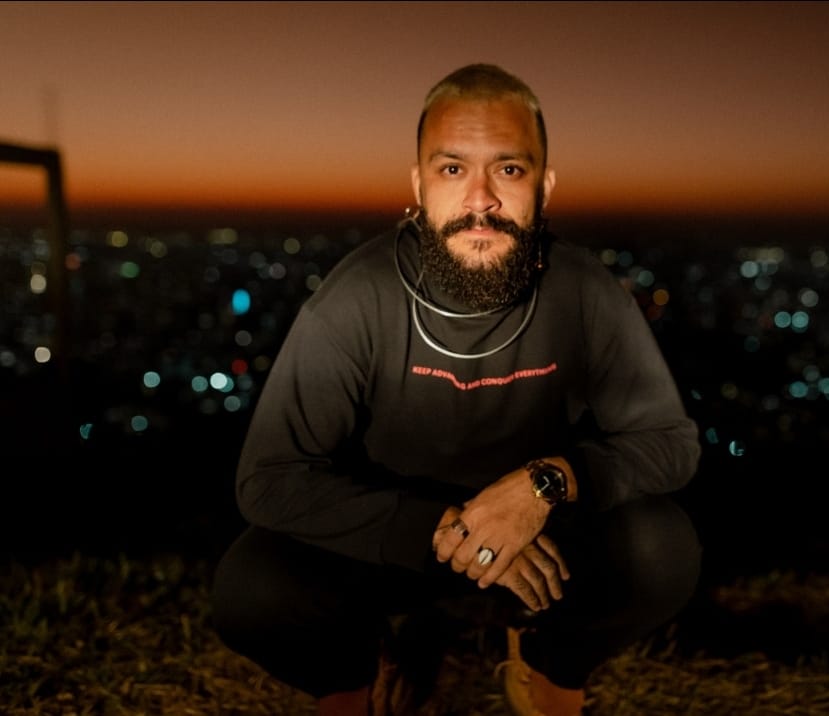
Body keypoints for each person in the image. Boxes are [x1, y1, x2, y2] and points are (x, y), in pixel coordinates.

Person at [211, 62, 702, 716]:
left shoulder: (583, 291)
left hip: (539, 538)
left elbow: (669, 443)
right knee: (252, 589)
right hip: (388, 541)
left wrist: (544, 483)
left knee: (660, 549)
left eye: (508, 169)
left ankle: (547, 661)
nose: (479, 200)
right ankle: (356, 673)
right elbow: (268, 477)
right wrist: (434, 528)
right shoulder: (356, 297)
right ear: (417, 185)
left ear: (543, 186)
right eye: (451, 170)